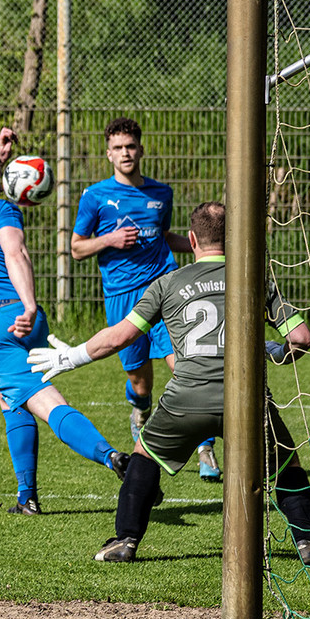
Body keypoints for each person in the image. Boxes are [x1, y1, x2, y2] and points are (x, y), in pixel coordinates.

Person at [28, 201, 310, 565]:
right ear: (237, 238)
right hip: (247, 399)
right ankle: (309, 541)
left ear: (191, 239)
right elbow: (301, 338)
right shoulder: (256, 278)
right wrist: (272, 352)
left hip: (185, 399)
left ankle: (125, 542)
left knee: (145, 456)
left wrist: (70, 357)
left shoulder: (168, 283)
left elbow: (118, 338)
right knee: (286, 464)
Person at [0, 128, 129, 515]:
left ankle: (114, 458)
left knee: (43, 400)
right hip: (21, 316)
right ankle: (26, 497)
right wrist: (30, 306)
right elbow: (15, 253)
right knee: (11, 397)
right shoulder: (1, 210)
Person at [71, 116, 221, 481]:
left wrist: (209, 248)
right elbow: (76, 248)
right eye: (119, 148)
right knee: (141, 381)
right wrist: (108, 240)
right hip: (123, 297)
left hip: (165, 290)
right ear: (108, 154)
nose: (126, 153)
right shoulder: (94, 196)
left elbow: (164, 237)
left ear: (141, 149)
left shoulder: (160, 193)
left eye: (131, 146)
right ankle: (140, 410)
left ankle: (205, 449)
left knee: (184, 366)